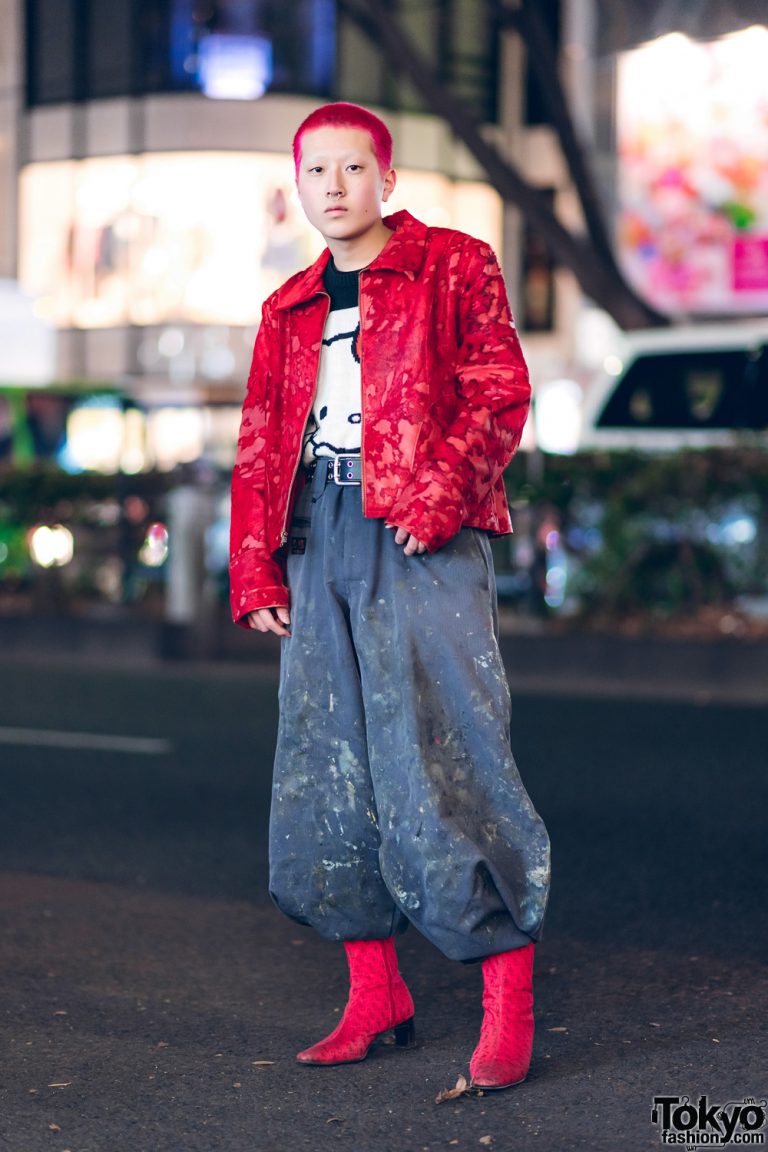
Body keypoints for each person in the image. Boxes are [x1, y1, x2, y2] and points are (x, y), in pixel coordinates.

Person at [230, 102, 550, 1091]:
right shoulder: (287, 307)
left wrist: (444, 495)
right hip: (316, 532)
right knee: (327, 764)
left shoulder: (453, 264)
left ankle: (508, 1007)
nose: (333, 185)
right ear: (299, 188)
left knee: (448, 752)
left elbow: (501, 388)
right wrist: (255, 570)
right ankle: (378, 997)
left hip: (420, 530)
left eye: (353, 168)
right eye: (315, 170)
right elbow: (257, 440)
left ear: (387, 180)